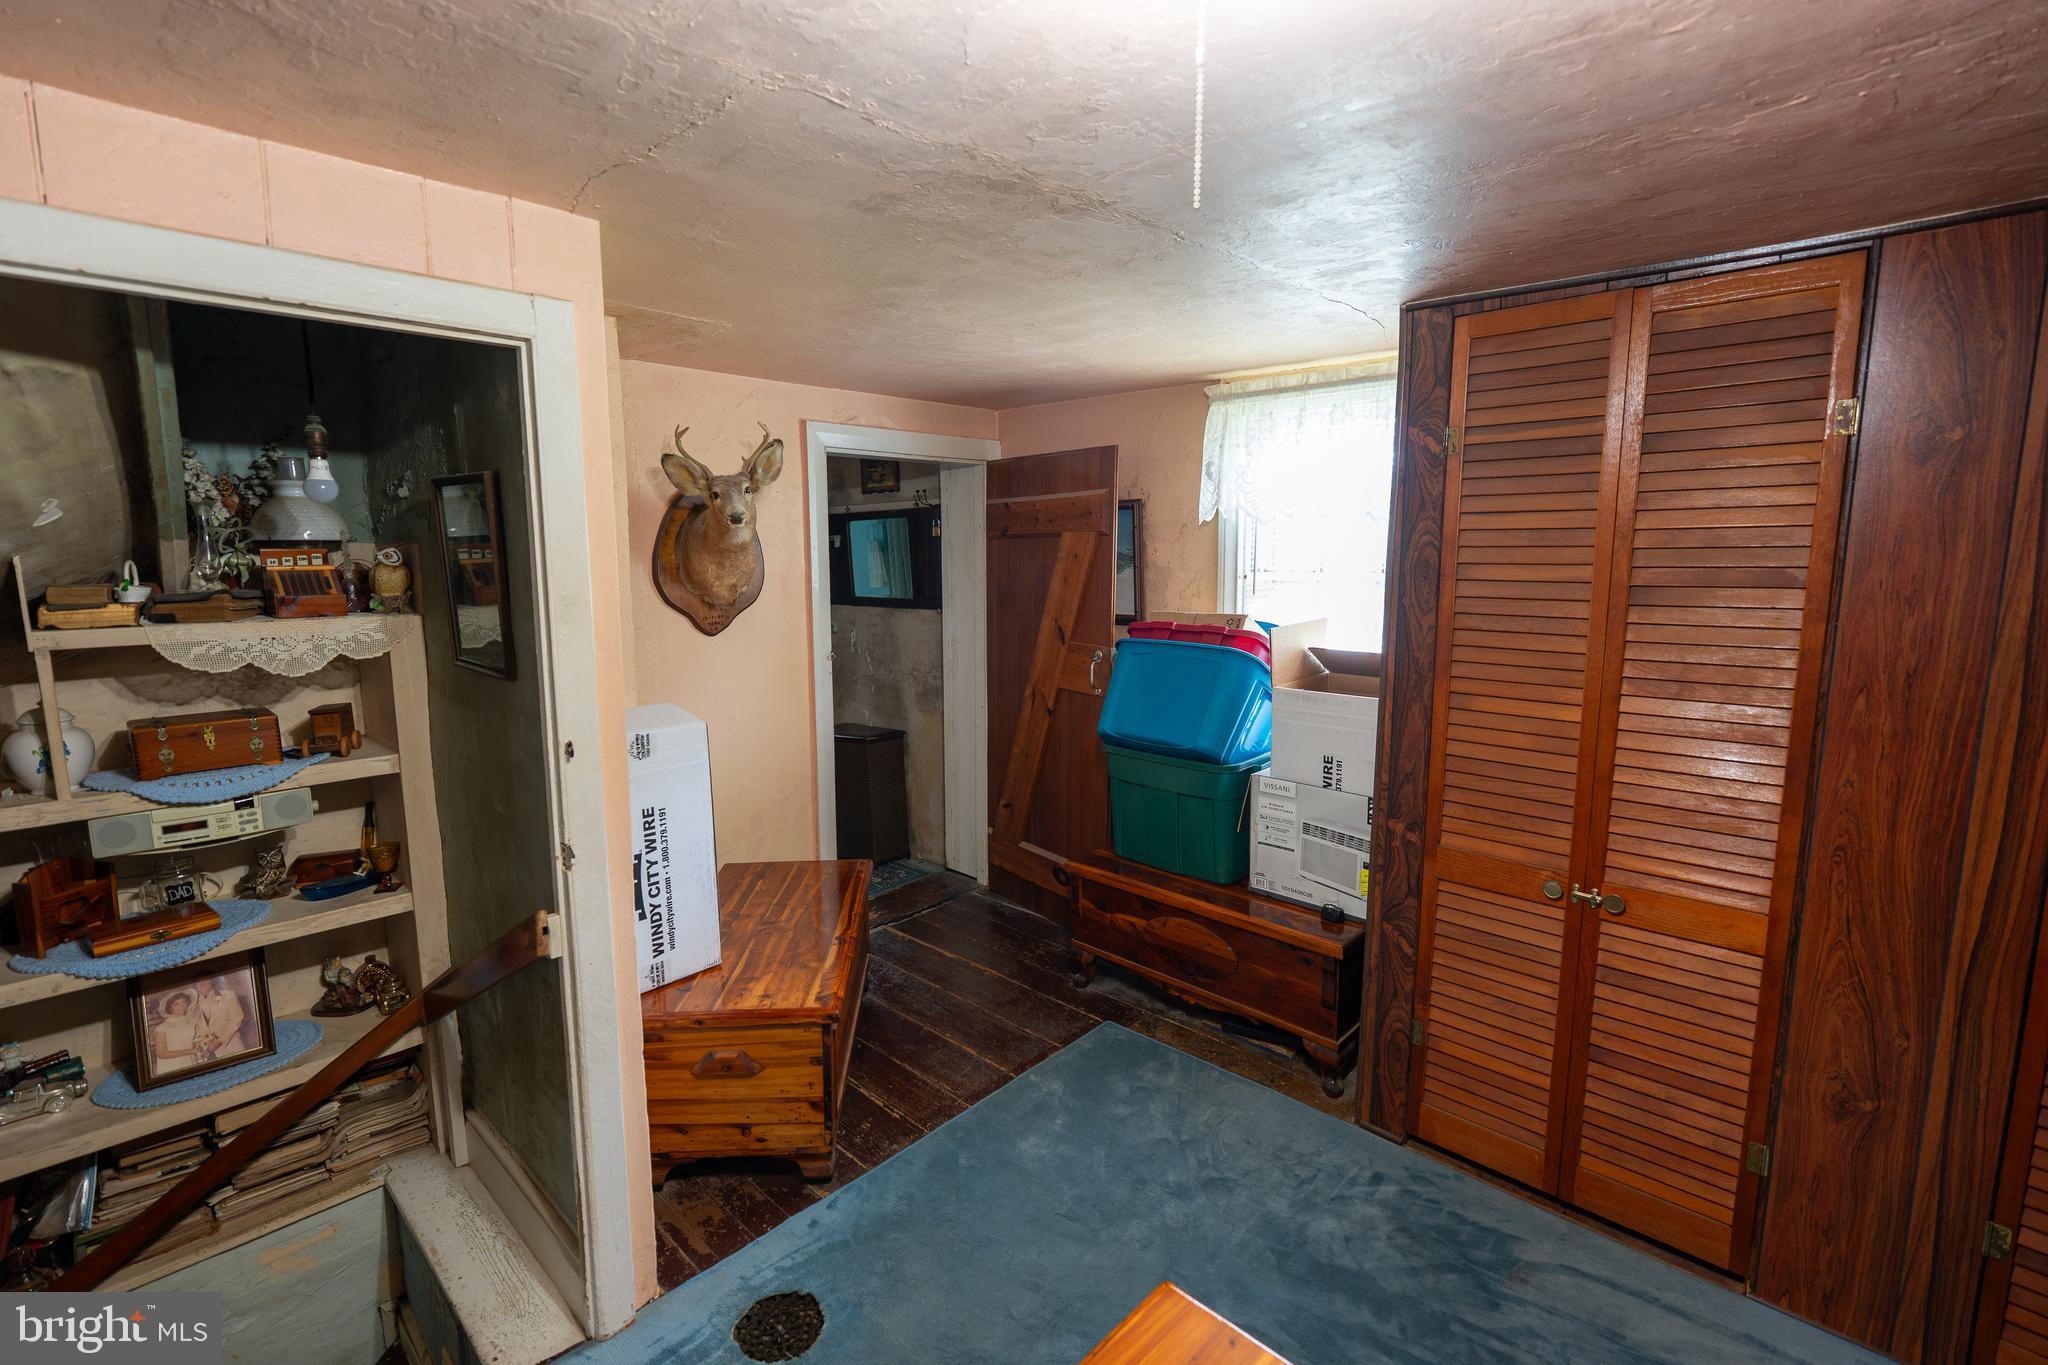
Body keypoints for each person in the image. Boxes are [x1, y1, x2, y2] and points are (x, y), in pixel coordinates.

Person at [195, 975, 249, 1058]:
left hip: (231, 1045)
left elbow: (236, 1019)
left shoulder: (228, 995)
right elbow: (198, 1029)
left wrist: (219, 1041)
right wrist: (203, 1046)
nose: (202, 983)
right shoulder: (195, 1005)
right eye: (198, 981)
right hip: (211, 1052)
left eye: (205, 979)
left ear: (212, 980)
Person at [152, 991, 202, 1074]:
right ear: (170, 1007)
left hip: (189, 1061)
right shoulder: (162, 1028)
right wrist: (190, 1051)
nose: (182, 1006)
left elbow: (192, 1040)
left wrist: (196, 1046)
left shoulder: (191, 1021)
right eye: (177, 1004)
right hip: (172, 1066)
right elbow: (161, 1053)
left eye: (183, 1002)